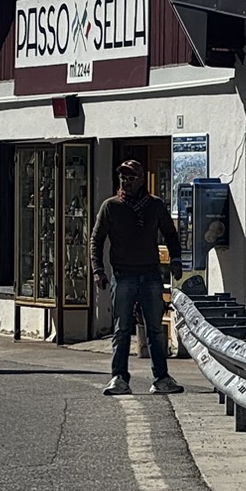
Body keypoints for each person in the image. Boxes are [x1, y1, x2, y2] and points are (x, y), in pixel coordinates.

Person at [90, 160, 184, 396]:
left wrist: (175, 260)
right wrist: (97, 270)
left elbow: (171, 234)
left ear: (141, 179)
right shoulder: (111, 206)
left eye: (131, 178)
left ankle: (161, 378)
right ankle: (119, 378)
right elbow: (96, 239)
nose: (126, 182)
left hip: (150, 274)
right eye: (123, 178)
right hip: (123, 275)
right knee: (122, 329)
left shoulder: (154, 205)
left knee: (155, 329)